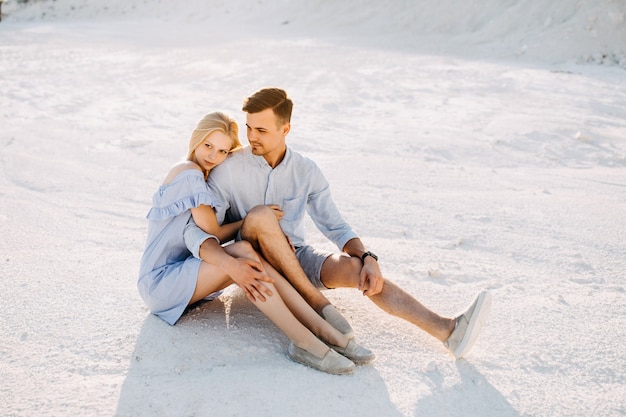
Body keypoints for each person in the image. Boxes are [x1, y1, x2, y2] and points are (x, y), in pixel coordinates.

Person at [184, 89, 492, 359]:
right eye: (249, 127)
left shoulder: (306, 171)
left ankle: (448, 331)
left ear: (285, 129)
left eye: (261, 130)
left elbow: (335, 225)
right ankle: (320, 306)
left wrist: (367, 257)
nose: (251, 137)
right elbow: (213, 229)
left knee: (358, 272)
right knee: (260, 217)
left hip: (296, 257)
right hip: (254, 258)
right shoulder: (229, 167)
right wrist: (258, 231)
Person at [138, 111, 375, 375]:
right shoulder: (189, 173)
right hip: (161, 282)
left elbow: (211, 234)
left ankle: (325, 334)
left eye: (222, 151)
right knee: (245, 256)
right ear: (196, 138)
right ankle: (308, 341)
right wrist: (250, 218)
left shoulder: (198, 175)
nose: (212, 156)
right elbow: (211, 230)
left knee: (248, 252)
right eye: (208, 145)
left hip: (187, 274)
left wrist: (257, 222)